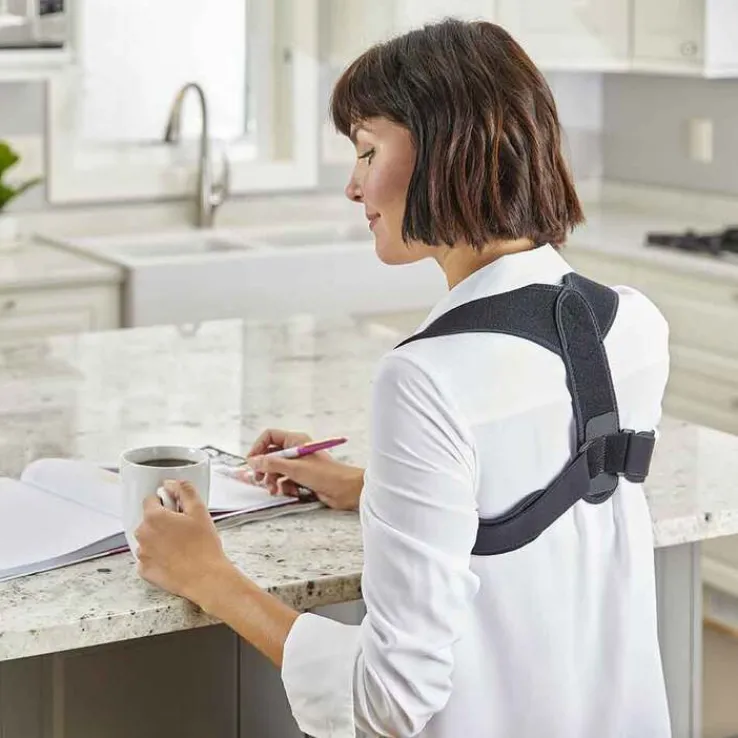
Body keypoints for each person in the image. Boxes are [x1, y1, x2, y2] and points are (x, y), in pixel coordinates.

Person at [135, 18, 671, 738]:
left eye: (367, 150)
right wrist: (375, 486)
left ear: (447, 148)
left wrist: (207, 576)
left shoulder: (424, 378)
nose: (354, 185)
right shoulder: (633, 325)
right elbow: (533, 493)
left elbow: (390, 697)